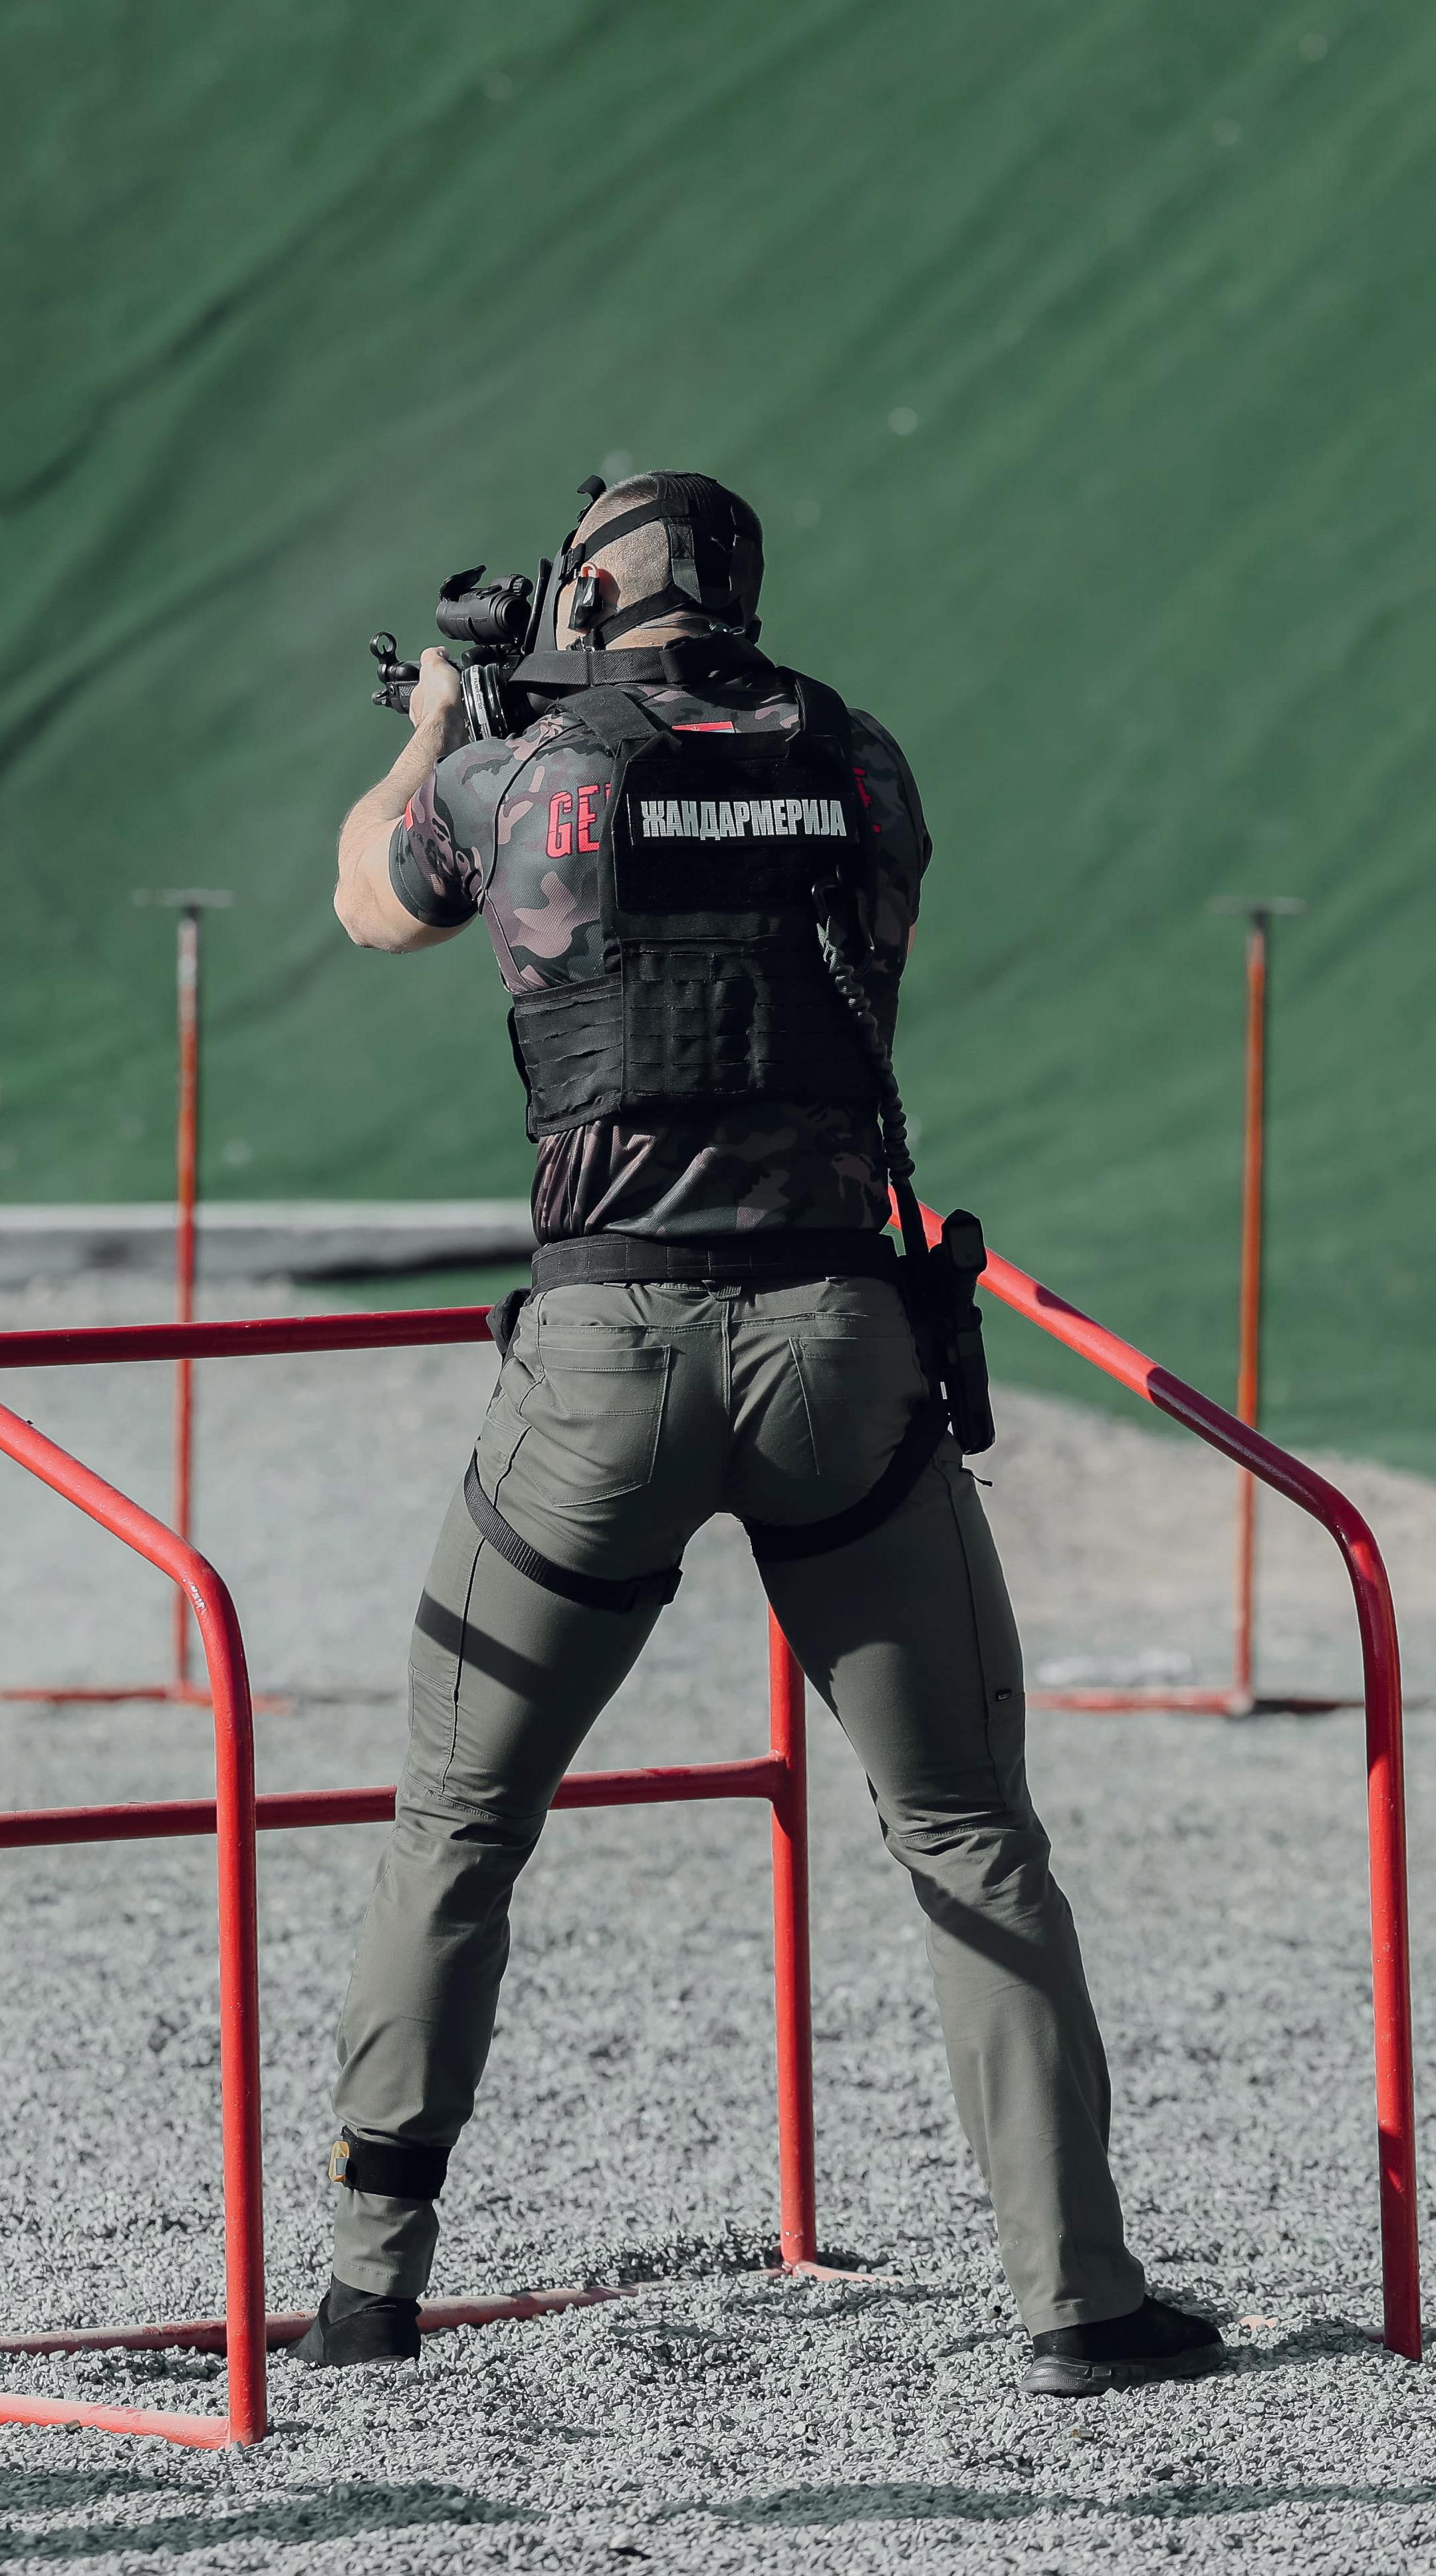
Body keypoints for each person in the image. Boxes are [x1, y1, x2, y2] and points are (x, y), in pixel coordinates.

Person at [302, 468, 1218, 2398]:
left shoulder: (529, 775)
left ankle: (368, 2285)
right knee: (970, 1830)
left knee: (460, 1822)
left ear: (594, 592)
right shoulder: (862, 763)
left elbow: (372, 901)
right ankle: (1082, 2300)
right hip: (838, 1338)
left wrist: (437, 732)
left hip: (604, 1354)